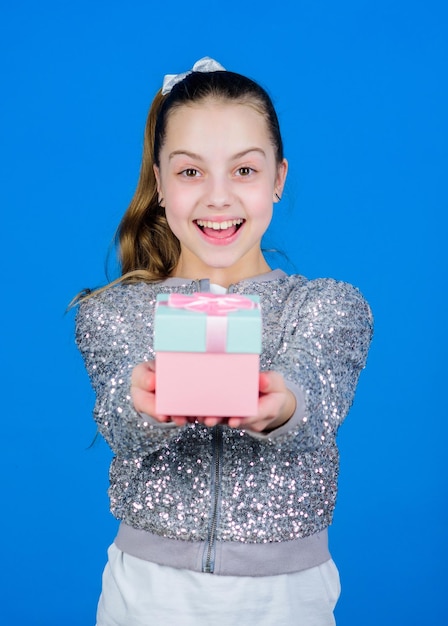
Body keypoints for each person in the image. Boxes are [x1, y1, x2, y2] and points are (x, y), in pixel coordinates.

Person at [75, 57, 373, 626]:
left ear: (278, 179)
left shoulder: (328, 306)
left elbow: (316, 393)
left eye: (244, 171)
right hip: (147, 593)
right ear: (160, 183)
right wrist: (140, 404)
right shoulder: (114, 311)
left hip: (287, 598)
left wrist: (283, 405)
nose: (218, 198)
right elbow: (116, 416)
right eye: (190, 172)